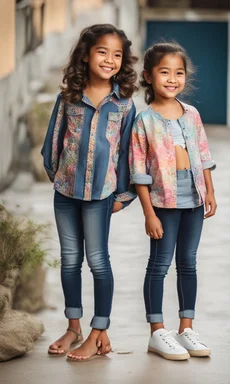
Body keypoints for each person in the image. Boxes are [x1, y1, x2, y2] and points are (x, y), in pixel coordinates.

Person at [41, 24, 138, 361]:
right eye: (102, 51)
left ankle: (98, 330)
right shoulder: (68, 98)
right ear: (85, 54)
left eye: (117, 54)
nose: (109, 59)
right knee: (70, 260)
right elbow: (53, 143)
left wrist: (122, 195)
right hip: (65, 193)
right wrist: (59, 176)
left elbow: (127, 153)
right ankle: (74, 327)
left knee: (98, 261)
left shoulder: (124, 105)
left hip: (101, 196)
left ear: (122, 61)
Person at [129, 42, 217, 361]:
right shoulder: (144, 120)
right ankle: (157, 331)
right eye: (164, 72)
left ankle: (186, 327)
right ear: (148, 76)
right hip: (162, 204)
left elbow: (204, 154)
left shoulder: (191, 114)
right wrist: (148, 214)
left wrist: (210, 190)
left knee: (188, 263)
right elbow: (139, 172)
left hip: (193, 199)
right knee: (159, 265)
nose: (172, 78)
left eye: (178, 73)